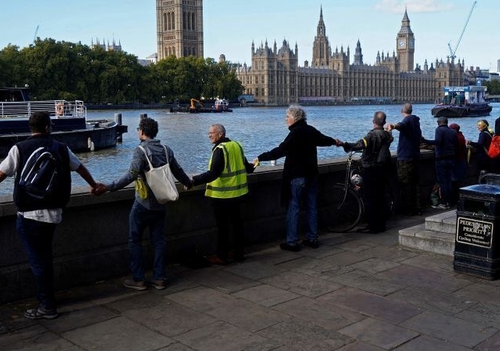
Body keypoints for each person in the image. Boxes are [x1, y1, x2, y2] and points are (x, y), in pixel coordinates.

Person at [0, 111, 100, 320]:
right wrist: (93, 185)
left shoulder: (19, 149)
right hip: (54, 213)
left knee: (39, 262)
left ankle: (47, 306)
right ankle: (47, 301)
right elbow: (80, 168)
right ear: (48, 127)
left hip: (29, 215)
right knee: (44, 258)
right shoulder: (61, 148)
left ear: (30, 128)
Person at [95, 116, 192, 290]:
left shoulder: (140, 151)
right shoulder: (166, 149)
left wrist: (109, 187)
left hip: (142, 203)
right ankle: (159, 278)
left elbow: (131, 175)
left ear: (141, 132)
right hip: (161, 202)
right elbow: (178, 171)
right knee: (159, 242)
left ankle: (138, 279)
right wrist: (188, 182)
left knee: (135, 241)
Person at [254, 105, 339, 251]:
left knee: (294, 208)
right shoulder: (310, 130)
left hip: (297, 177)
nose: (286, 119)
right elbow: (324, 140)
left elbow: (281, 151)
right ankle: (312, 238)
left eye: (287, 117)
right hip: (312, 175)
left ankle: (292, 242)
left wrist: (260, 157)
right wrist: (335, 141)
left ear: (295, 118)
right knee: (312, 207)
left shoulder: (295, 133)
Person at [191, 123, 255, 265]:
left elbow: (214, 173)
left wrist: (194, 180)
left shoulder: (220, 149)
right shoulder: (236, 145)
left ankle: (222, 256)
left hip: (222, 196)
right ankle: (239, 254)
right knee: (237, 224)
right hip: (238, 194)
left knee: (223, 227)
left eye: (211, 133)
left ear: (220, 134)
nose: (209, 135)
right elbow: (247, 167)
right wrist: (253, 165)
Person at [341, 111, 394, 233]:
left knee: (371, 199)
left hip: (371, 170)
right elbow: (390, 137)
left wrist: (344, 144)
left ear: (373, 121)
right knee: (381, 197)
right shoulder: (387, 135)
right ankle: (381, 224)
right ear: (384, 122)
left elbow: (360, 145)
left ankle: (373, 226)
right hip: (383, 169)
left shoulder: (371, 136)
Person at [386, 103, 423, 216]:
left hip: (405, 158)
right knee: (415, 184)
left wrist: (392, 126)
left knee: (405, 184)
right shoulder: (416, 122)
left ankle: (408, 210)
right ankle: (417, 208)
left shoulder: (408, 120)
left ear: (402, 110)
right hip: (415, 156)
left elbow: (401, 125)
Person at [422, 117, 458, 209]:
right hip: (452, 158)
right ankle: (449, 201)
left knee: (443, 182)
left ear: (438, 123)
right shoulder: (453, 132)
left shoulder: (439, 130)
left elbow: (438, 142)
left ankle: (444, 202)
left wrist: (425, 140)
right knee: (449, 181)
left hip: (441, 158)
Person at [449, 122, 468, 203]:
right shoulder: (461, 136)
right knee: (460, 180)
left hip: (456, 160)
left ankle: (454, 199)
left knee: (454, 180)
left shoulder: (455, 137)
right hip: (462, 159)